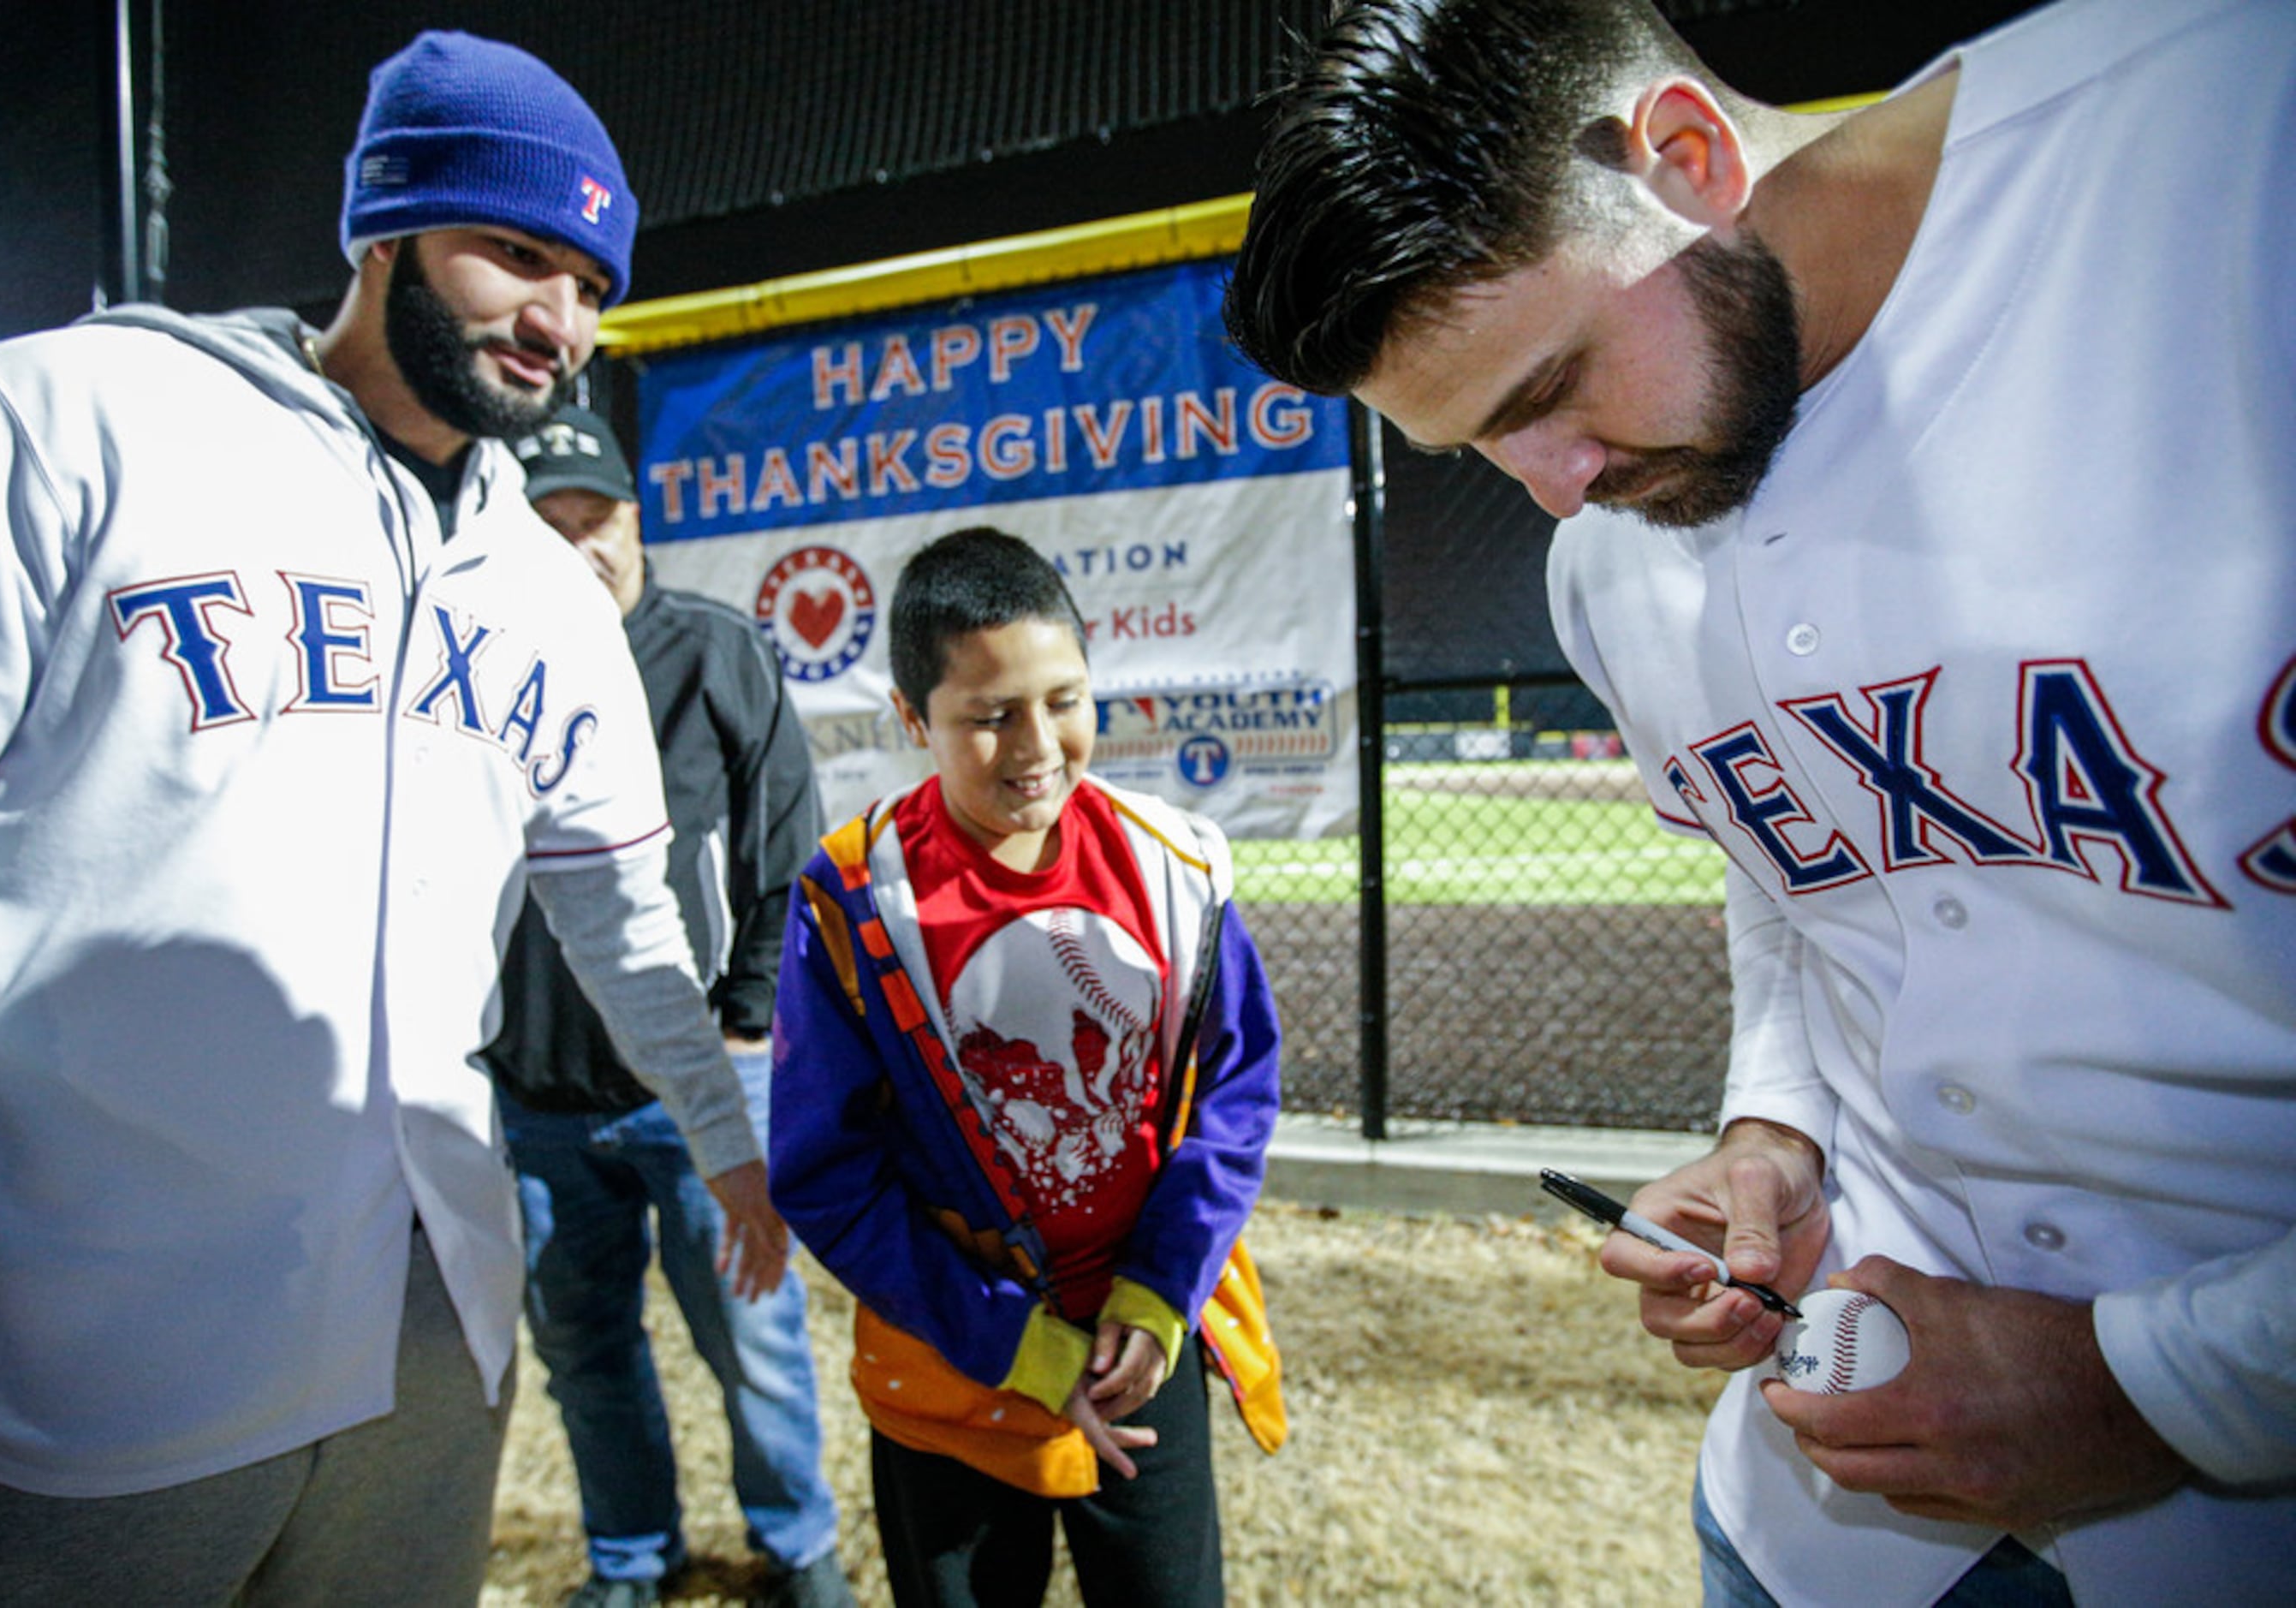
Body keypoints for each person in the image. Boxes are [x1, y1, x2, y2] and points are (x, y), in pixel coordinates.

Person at [1222, 0, 2296, 1603]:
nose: (1552, 487)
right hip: (1818, 1529)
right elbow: (1795, 866)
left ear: (1686, 157)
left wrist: (2174, 1379)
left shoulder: (2235, 144)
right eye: (1476, 448)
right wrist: (1773, 1134)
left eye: (1547, 387)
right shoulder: (1614, 552)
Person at [0, 30, 789, 1603]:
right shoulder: (61, 419)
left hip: (426, 1328)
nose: (558, 320)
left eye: (591, 282)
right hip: (71, 1345)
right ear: (387, 226)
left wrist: (732, 1146)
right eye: (515, 252)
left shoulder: (548, 592)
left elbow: (625, 924)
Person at [769, 528, 1288, 1605]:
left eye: (1064, 700)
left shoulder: (1172, 863)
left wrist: (1156, 1294)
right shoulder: (855, 901)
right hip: (955, 1357)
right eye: (989, 716)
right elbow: (826, 1173)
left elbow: (1233, 1094)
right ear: (913, 721)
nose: (1036, 743)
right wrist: (1013, 1342)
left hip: (1141, 1338)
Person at [488, 404, 852, 1608]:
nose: (579, 545)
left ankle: (798, 1547)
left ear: (637, 521)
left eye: (599, 519)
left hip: (695, 1078)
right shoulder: (485, 659)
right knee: (585, 1351)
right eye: (551, 527)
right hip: (536, 1092)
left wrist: (745, 1023)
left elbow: (783, 846)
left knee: (753, 1339)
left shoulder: (709, 648)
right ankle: (631, 1559)